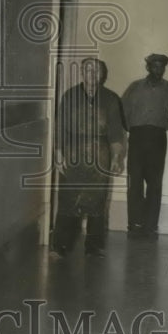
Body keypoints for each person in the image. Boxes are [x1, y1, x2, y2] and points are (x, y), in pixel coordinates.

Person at [51, 59, 125, 260]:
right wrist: (58, 152)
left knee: (97, 201)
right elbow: (60, 126)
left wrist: (117, 157)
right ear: (82, 73)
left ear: (102, 75)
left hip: (100, 155)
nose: (92, 74)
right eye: (88, 70)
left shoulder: (110, 99)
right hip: (73, 153)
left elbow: (117, 132)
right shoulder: (70, 96)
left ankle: (94, 247)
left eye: (96, 70)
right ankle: (60, 246)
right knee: (68, 199)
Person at [121, 53, 168, 240]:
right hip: (137, 138)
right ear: (148, 67)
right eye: (155, 66)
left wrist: (162, 125)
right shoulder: (135, 87)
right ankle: (134, 224)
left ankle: (150, 226)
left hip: (157, 139)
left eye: (162, 67)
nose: (159, 70)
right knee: (134, 183)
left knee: (154, 184)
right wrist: (131, 127)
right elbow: (122, 110)